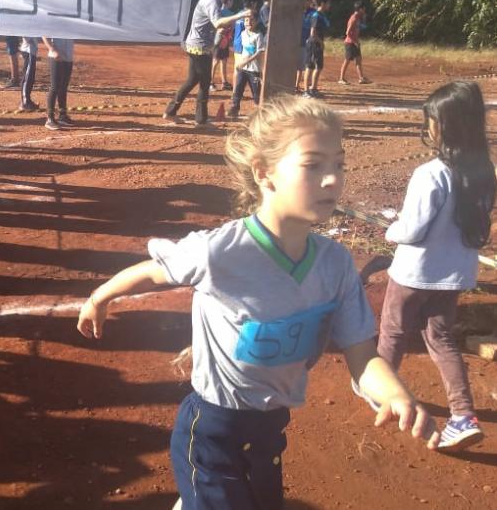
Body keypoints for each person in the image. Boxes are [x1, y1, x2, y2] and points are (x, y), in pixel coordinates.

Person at [77, 95, 439, 509]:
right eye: (313, 164)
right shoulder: (221, 251)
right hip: (212, 430)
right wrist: (99, 296)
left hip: (269, 428)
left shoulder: (335, 264)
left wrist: (394, 393)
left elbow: (361, 353)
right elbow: (153, 270)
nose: (332, 179)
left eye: (339, 164)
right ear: (264, 173)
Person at [369, 81, 494, 452]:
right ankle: (463, 415)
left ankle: (379, 392)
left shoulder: (431, 173)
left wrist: (391, 228)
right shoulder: (485, 172)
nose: (428, 127)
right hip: (455, 275)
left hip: (415, 273)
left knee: (392, 330)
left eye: (432, 120)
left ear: (447, 126)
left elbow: (413, 230)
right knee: (440, 339)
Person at [163, 0, 250, 125]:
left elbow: (216, 23)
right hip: (200, 46)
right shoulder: (212, 0)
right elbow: (217, 22)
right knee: (204, 82)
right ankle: (201, 120)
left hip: (196, 44)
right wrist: (240, 15)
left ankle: (170, 112)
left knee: (192, 80)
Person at [228, 15, 265, 118]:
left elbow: (259, 52)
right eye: (246, 21)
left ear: (256, 22)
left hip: (254, 70)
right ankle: (234, 109)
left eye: (250, 20)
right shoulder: (243, 34)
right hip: (243, 69)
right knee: (238, 89)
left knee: (256, 93)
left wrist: (247, 61)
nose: (248, 23)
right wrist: (240, 63)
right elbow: (242, 50)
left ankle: (260, 112)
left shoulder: (258, 35)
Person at [42, 37, 76, 131]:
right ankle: (50, 119)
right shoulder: (54, 22)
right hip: (56, 56)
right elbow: (44, 35)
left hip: (68, 56)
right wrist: (52, 49)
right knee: (55, 87)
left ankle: (62, 115)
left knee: (63, 87)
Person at [303, 0, 331, 99]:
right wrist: (321, 42)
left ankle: (313, 89)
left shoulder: (321, 15)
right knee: (310, 67)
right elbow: (312, 32)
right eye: (328, 3)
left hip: (317, 43)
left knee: (319, 67)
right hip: (313, 43)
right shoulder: (316, 15)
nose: (329, 5)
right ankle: (306, 91)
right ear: (323, 3)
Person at [338, 1, 371, 85]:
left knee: (358, 59)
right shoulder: (354, 18)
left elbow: (361, 27)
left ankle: (361, 78)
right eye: (363, 9)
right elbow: (347, 32)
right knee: (347, 60)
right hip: (350, 42)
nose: (364, 10)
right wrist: (354, 42)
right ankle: (341, 78)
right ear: (360, 9)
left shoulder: (358, 18)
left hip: (355, 42)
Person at [209, 0, 234, 92]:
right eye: (232, 1)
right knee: (217, 61)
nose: (232, 3)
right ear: (228, 1)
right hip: (221, 40)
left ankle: (224, 82)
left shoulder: (218, 12)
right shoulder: (229, 14)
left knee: (222, 61)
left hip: (219, 40)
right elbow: (230, 28)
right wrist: (225, 39)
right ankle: (210, 83)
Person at [295, 0, 316, 93]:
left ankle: (297, 86)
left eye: (308, 0)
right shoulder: (296, 11)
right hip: (293, 42)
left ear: (311, 1)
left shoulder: (313, 13)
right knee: (292, 65)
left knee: (302, 66)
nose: (305, 2)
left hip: (305, 42)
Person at [18, 37, 40, 112]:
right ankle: (25, 102)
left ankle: (28, 100)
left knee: (30, 77)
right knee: (27, 77)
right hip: (28, 50)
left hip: (31, 50)